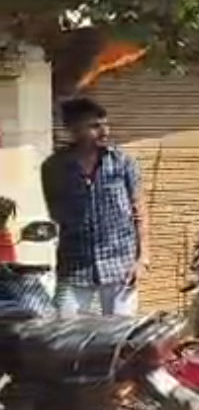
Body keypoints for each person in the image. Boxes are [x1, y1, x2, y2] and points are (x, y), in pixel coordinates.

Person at [40, 97, 147, 316]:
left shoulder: (123, 162)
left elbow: (140, 211)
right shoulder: (54, 168)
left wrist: (143, 257)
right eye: (95, 126)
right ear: (73, 129)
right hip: (75, 266)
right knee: (66, 335)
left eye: (105, 125)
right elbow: (56, 213)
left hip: (120, 267)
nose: (104, 131)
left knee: (119, 338)